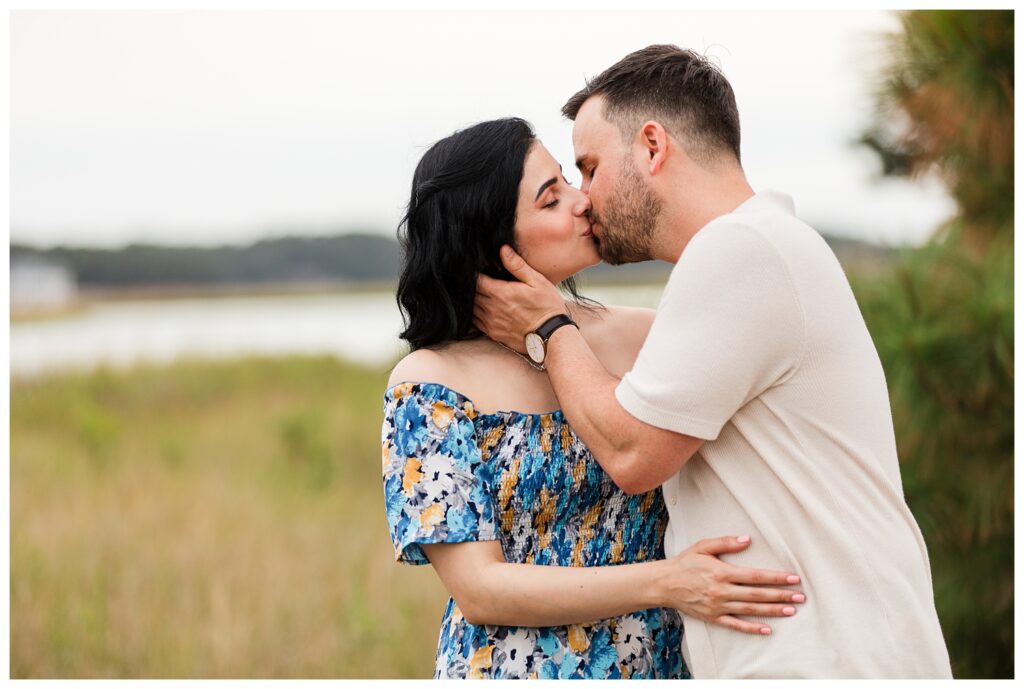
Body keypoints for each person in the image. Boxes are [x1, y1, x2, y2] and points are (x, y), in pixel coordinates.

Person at [474, 46, 953, 679]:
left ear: (652, 146)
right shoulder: (759, 245)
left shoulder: (740, 250)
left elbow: (632, 455)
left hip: (830, 660)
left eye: (588, 169)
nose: (583, 199)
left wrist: (548, 326)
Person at [382, 117, 806, 680]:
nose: (584, 203)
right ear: (492, 242)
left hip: (662, 665)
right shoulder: (430, 384)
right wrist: (666, 581)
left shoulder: (646, 334)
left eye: (570, 182)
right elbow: (480, 590)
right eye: (551, 199)